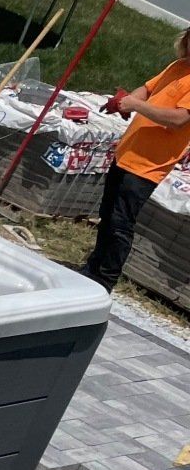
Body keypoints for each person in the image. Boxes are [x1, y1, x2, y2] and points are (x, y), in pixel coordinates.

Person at [83, 27, 190, 292]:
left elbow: (178, 120)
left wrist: (136, 106)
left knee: (120, 222)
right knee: (107, 215)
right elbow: (146, 89)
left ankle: (105, 280)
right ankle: (92, 268)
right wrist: (123, 102)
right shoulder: (178, 66)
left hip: (148, 165)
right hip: (127, 154)